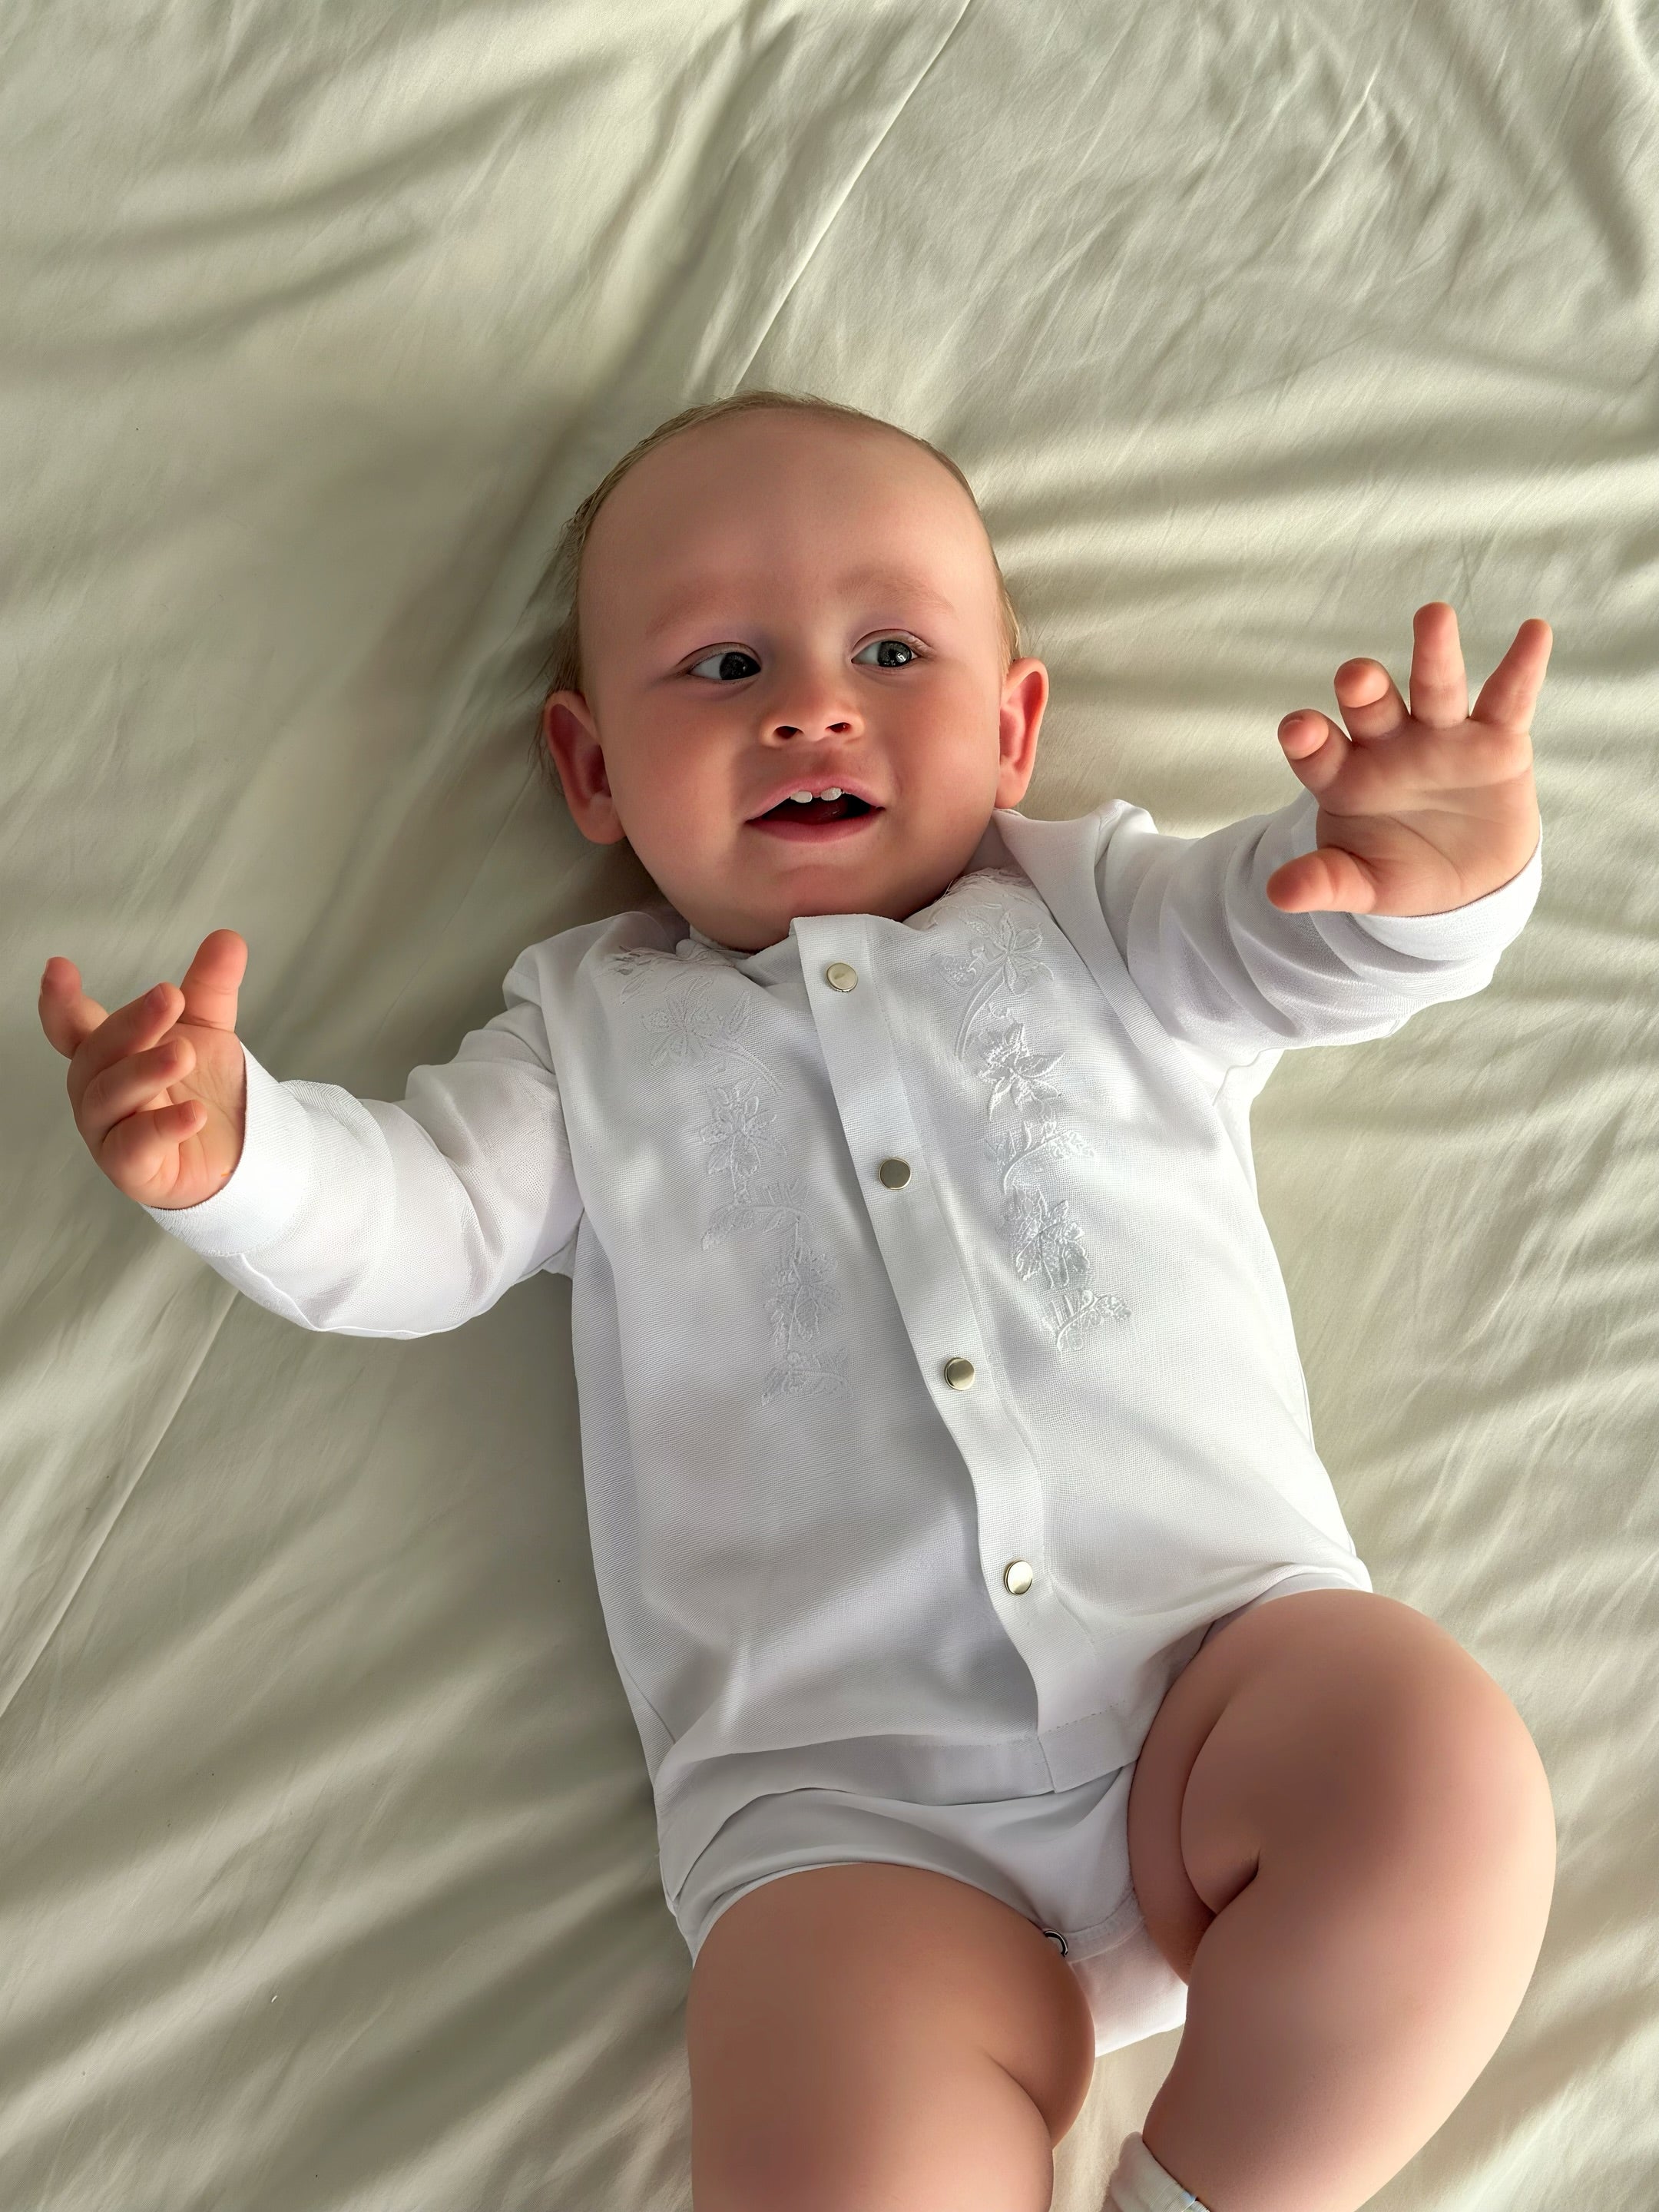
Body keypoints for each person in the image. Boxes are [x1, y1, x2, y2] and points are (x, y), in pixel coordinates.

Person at [39, 390, 1558, 2212]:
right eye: (724, 663)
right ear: (592, 775)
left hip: (1217, 1681)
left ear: (1013, 728)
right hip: (848, 1823)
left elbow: (1299, 932)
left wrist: (1429, 879)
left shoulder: (1097, 916)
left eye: (891, 649)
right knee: (841, 2140)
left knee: (1436, 1776)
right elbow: (419, 1222)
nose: (808, 706)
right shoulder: (584, 1038)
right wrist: (238, 1154)